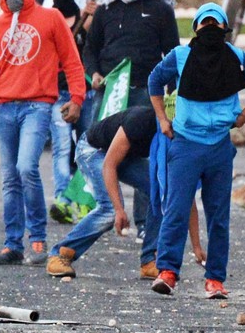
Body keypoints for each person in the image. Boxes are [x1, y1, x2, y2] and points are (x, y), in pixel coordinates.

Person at [0, 0, 86, 266]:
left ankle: (37, 239)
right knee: (9, 178)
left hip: (38, 106)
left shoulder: (51, 19)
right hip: (5, 108)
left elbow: (72, 60)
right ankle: (12, 244)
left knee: (26, 168)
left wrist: (76, 98)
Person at [148, 4, 245, 299]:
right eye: (206, 24)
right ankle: (168, 272)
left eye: (217, 25)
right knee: (176, 209)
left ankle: (215, 279)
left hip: (219, 147)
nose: (211, 30)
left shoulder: (236, 57)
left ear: (225, 30)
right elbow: (154, 81)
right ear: (197, 29)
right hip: (186, 145)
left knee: (218, 215)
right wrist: (163, 119)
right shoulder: (180, 56)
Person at [46, 106, 196, 280]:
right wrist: (119, 210)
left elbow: (184, 191)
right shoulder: (141, 121)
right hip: (93, 150)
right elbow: (109, 164)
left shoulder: (179, 136)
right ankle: (61, 253)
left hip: (126, 157)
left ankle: (150, 261)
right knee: (109, 211)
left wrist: (197, 246)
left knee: (161, 193)